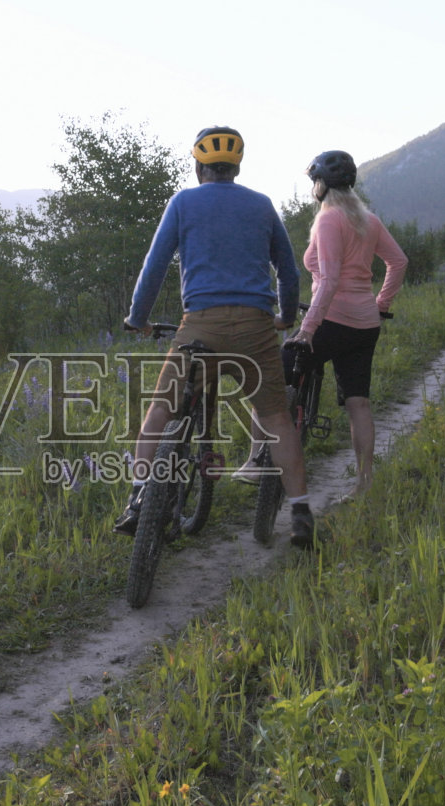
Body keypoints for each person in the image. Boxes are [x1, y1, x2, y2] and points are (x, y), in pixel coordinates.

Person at [115, 126, 315, 548]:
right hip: (255, 328)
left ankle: (138, 499)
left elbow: (154, 266)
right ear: (235, 168)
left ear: (198, 167)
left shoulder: (183, 203)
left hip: (200, 327)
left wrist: (138, 318)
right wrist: (283, 316)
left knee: (160, 412)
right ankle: (300, 513)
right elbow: (288, 270)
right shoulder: (261, 205)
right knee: (277, 420)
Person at [284, 149, 408, 501]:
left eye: (314, 182)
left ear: (321, 185)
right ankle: (364, 482)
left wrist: (308, 329)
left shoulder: (328, 220)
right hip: (365, 325)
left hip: (331, 320)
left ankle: (266, 457)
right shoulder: (369, 220)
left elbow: (329, 280)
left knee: (276, 372)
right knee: (359, 404)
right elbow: (399, 262)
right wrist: (381, 305)